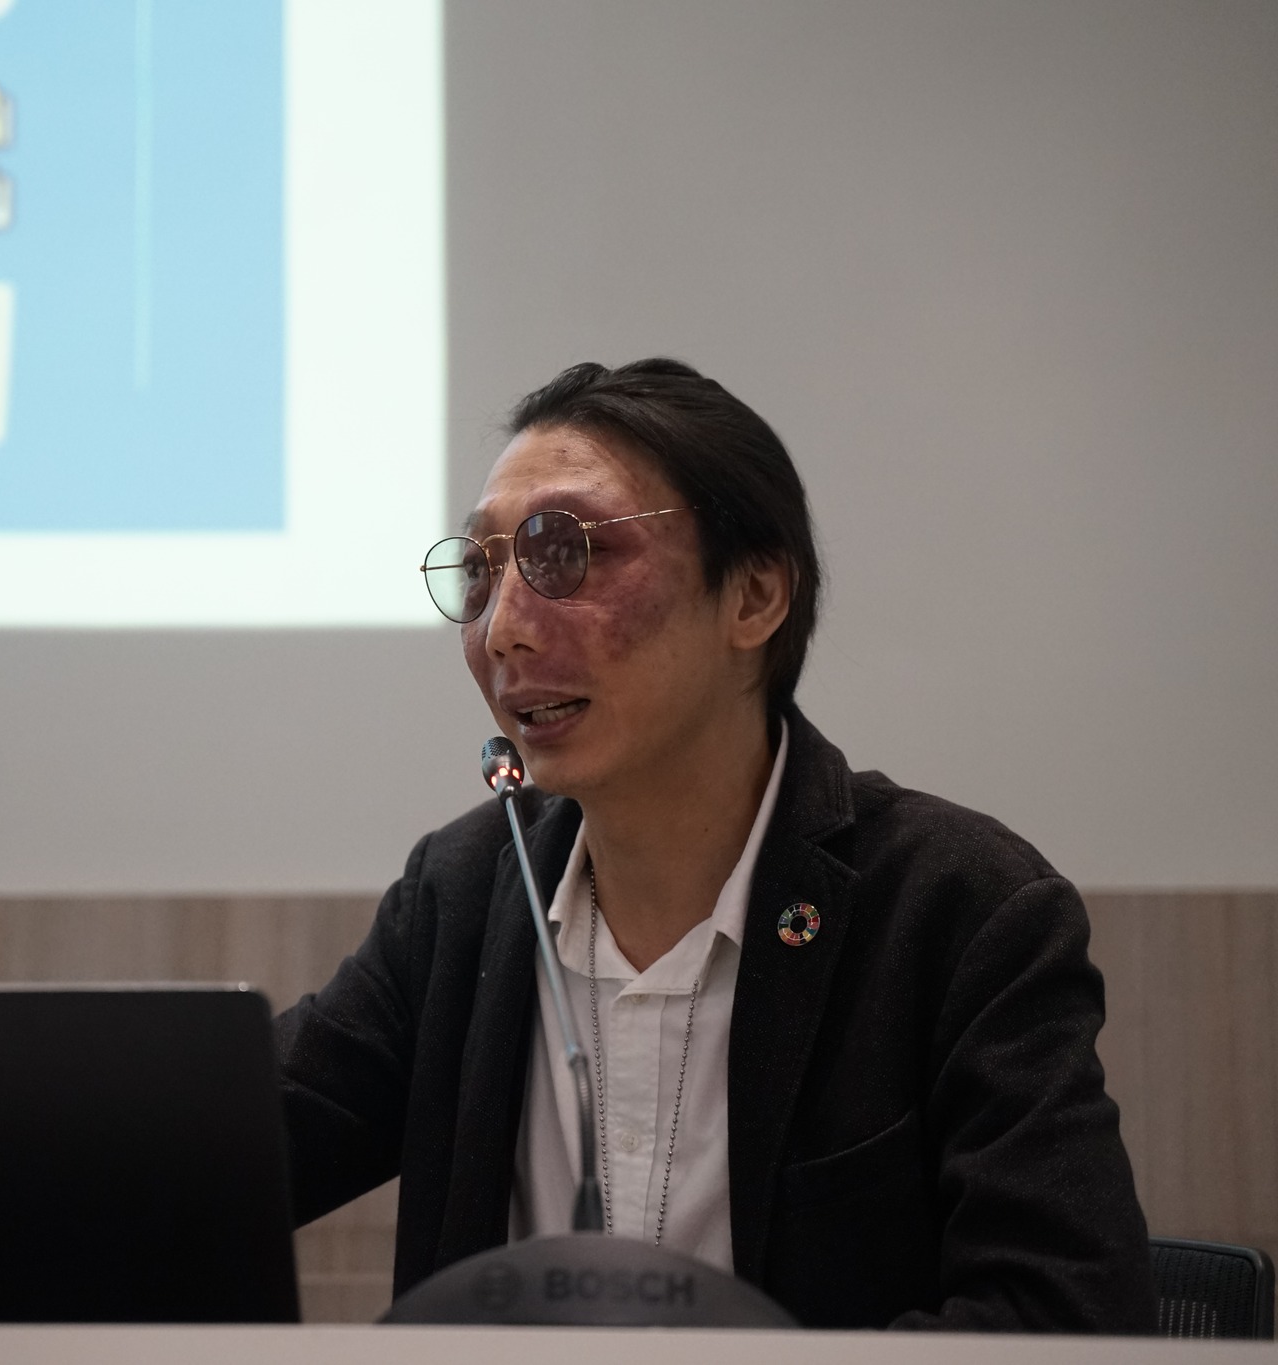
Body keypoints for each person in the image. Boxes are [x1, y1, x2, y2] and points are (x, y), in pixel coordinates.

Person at [274, 358, 1156, 1331]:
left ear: (753, 596)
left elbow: (1062, 1319)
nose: (503, 632)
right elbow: (222, 1162)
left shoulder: (957, 910)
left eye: (564, 552)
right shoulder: (463, 895)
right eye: (480, 572)